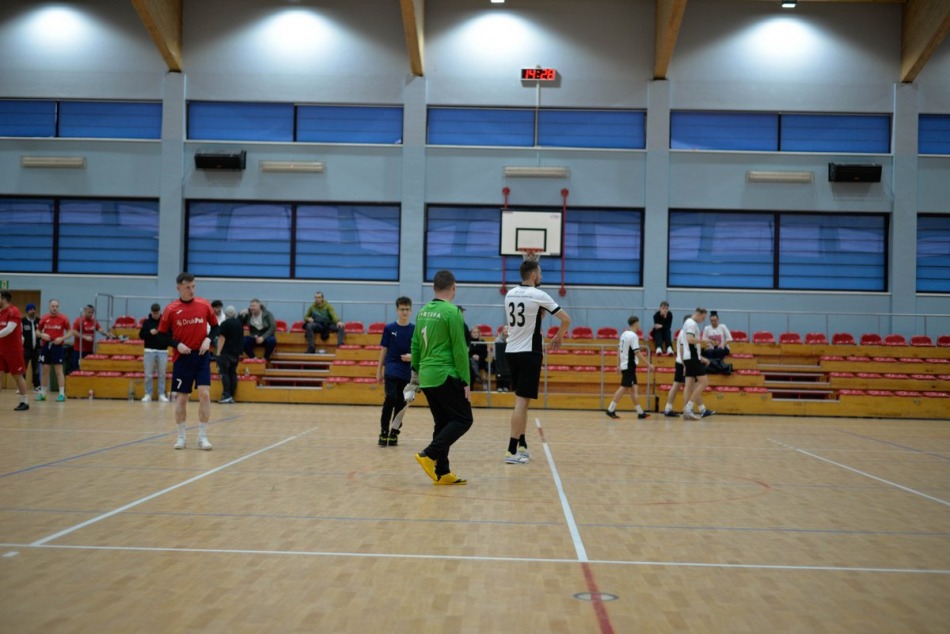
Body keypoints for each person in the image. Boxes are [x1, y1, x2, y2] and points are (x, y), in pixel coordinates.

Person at [503, 259, 571, 464]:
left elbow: (524, 319)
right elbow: (566, 319)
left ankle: (522, 444)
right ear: (533, 275)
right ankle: (511, 451)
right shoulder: (538, 294)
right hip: (529, 352)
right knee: (521, 402)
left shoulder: (510, 294)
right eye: (539, 273)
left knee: (522, 401)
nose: (541, 276)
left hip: (511, 351)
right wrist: (559, 336)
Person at [410, 270, 472, 485]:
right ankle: (429, 454)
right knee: (464, 419)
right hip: (445, 374)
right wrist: (465, 381)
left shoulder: (422, 312)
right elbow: (460, 350)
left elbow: (415, 345)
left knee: (443, 423)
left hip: (427, 377)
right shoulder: (452, 312)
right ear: (453, 288)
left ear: (434, 287)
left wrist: (415, 374)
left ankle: (442, 471)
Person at [158, 272, 219, 450]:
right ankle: (181, 437)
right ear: (179, 288)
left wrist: (209, 339)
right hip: (182, 358)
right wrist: (177, 345)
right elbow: (162, 335)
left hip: (201, 356)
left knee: (205, 395)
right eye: (187, 287)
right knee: (182, 399)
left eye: (193, 286)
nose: (191, 290)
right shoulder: (171, 309)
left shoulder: (204, 304)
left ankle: (202, 436)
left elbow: (216, 327)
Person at [375, 297, 414, 446]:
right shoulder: (389, 328)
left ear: (410, 310)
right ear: (397, 310)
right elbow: (384, 350)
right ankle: (384, 431)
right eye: (402, 309)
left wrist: (412, 357)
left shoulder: (415, 329)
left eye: (407, 309)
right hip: (391, 367)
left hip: (406, 370)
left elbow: (421, 351)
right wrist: (379, 370)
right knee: (390, 398)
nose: (404, 312)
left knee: (401, 402)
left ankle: (394, 432)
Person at [606, 315, 654, 420]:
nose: (639, 325)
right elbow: (637, 352)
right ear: (636, 323)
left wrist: (618, 365)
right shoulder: (633, 336)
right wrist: (649, 364)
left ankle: (640, 413)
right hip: (629, 365)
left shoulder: (624, 334)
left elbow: (618, 350)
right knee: (624, 387)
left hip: (625, 365)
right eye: (639, 323)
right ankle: (610, 409)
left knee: (634, 389)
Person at [679, 307, 715, 420]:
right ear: (698, 314)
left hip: (688, 357)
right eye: (703, 318)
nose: (702, 321)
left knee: (689, 385)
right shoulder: (691, 323)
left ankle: (687, 412)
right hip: (692, 356)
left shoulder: (688, 323)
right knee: (704, 382)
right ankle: (689, 408)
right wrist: (703, 341)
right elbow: (690, 339)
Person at [0, 291, 30, 411]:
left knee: (18, 376)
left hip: (13, 351)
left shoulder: (14, 311)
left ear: (3, 299)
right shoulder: (1, 312)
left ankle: (24, 402)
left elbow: (9, 329)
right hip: (1, 350)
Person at [36, 299, 71, 402]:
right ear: (49, 306)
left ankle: (61, 394)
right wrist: (42, 335)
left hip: (58, 347)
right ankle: (43, 394)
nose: (54, 308)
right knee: (45, 371)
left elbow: (70, 332)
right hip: (46, 346)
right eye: (53, 306)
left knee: (59, 371)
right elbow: (37, 332)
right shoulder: (44, 318)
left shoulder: (63, 318)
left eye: (56, 306)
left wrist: (62, 338)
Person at [139, 303, 171, 402]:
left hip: (163, 351)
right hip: (149, 351)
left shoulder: (165, 322)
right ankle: (148, 394)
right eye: (154, 313)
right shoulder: (146, 322)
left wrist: (161, 334)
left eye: (157, 313)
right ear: (151, 312)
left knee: (162, 374)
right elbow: (141, 335)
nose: (156, 315)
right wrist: (150, 332)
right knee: (148, 374)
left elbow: (170, 334)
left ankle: (161, 394)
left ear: (160, 311)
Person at [71, 304, 113, 370]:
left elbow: (99, 329)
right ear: (84, 311)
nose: (90, 314)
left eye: (92, 313)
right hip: (79, 350)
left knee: (88, 369)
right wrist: (85, 337)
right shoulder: (78, 321)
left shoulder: (94, 321)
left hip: (90, 350)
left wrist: (106, 333)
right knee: (77, 369)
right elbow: (74, 332)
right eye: (89, 312)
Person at [216, 305, 244, 404]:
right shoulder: (239, 323)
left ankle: (226, 395)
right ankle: (231, 395)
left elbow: (221, 339)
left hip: (226, 353)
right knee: (232, 373)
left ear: (225, 314)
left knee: (224, 374)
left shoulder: (224, 324)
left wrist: (218, 353)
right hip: (236, 353)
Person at [21, 303, 40, 392]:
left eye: (34, 309)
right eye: (30, 309)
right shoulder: (22, 321)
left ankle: (36, 386)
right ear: (27, 311)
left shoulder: (39, 321)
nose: (32, 311)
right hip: (26, 349)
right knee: (23, 368)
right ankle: (21, 386)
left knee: (36, 369)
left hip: (37, 349)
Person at [468, 325, 490, 390]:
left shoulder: (482, 342)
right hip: (469, 361)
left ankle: (477, 376)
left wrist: (479, 357)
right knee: (471, 361)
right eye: (474, 332)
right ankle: (478, 378)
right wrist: (472, 356)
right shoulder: (468, 342)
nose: (476, 334)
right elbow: (466, 353)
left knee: (472, 364)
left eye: (477, 332)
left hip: (481, 361)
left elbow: (485, 354)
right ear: (470, 333)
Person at [492, 325, 511, 392]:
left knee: (508, 370)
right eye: (505, 329)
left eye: (508, 329)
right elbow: (494, 350)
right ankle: (499, 386)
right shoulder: (498, 339)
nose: (506, 330)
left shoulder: (512, 339)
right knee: (499, 371)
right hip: (499, 359)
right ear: (502, 330)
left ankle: (506, 386)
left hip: (508, 359)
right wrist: (495, 358)